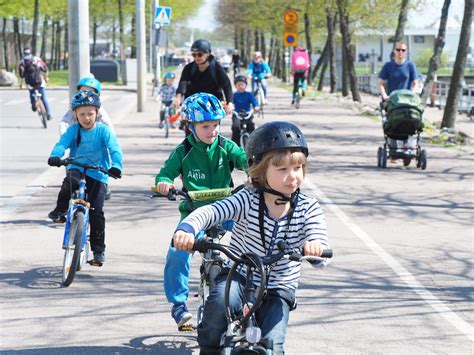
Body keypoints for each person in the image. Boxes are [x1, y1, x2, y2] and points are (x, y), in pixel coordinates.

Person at [172, 121, 331, 354]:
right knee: (217, 304)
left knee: (274, 344)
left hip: (279, 286)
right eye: (282, 169)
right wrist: (187, 229)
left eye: (297, 168)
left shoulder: (308, 207)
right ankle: (208, 348)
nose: (292, 176)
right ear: (259, 171)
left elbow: (318, 237)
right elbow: (212, 211)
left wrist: (315, 248)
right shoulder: (247, 198)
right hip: (240, 273)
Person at [155, 93, 248, 328]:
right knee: (177, 252)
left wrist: (254, 169)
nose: (212, 130)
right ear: (190, 126)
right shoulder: (183, 150)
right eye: (205, 125)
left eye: (216, 124)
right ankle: (178, 305)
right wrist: (164, 183)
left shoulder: (226, 147)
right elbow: (165, 173)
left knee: (250, 245)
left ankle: (248, 299)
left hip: (227, 212)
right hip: (194, 214)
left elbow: (245, 160)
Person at [47, 90, 123, 265]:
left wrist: (116, 166)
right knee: (68, 184)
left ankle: (98, 251)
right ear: (75, 115)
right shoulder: (73, 130)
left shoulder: (104, 131)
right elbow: (61, 144)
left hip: (98, 173)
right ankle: (60, 210)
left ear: (97, 113)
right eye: (82, 114)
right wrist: (55, 156)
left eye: (90, 113)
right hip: (77, 167)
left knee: (97, 212)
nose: (86, 118)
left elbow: (115, 149)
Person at [59, 76, 115, 200]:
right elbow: (64, 121)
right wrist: (64, 136)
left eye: (90, 92)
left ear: (97, 95)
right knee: (72, 162)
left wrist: (108, 139)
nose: (85, 94)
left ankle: (103, 183)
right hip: (78, 140)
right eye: (82, 91)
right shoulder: (75, 108)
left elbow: (108, 125)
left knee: (102, 160)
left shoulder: (98, 110)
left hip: (95, 142)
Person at [379, 41, 419, 161]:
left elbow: (415, 82)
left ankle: (409, 147)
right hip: (392, 101)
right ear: (394, 51)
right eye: (398, 50)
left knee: (409, 122)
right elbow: (380, 83)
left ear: (406, 52)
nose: (400, 52)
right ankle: (394, 150)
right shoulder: (388, 66)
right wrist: (385, 95)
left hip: (407, 101)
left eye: (403, 50)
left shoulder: (410, 66)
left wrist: (413, 94)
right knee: (391, 124)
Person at [174, 39, 234, 117]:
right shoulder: (189, 68)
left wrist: (230, 103)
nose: (196, 57)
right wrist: (178, 97)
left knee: (211, 127)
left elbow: (226, 85)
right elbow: (183, 82)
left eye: (199, 54)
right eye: (194, 55)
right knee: (190, 127)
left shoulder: (216, 68)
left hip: (212, 103)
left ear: (208, 53)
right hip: (194, 102)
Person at [18, 47, 52, 120]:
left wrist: (21, 84)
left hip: (30, 84)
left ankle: (34, 103)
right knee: (43, 98)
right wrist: (46, 77)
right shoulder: (36, 59)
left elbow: (22, 75)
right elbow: (45, 69)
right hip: (40, 82)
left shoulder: (22, 61)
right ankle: (49, 114)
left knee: (32, 97)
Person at [231, 75, 259, 145]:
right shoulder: (234, 95)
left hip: (247, 114)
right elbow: (230, 102)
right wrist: (229, 107)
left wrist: (256, 107)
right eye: (238, 85)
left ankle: (254, 141)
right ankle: (235, 144)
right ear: (235, 86)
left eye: (242, 85)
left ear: (245, 85)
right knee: (235, 127)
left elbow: (254, 102)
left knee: (251, 125)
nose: (240, 86)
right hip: (237, 114)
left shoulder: (249, 94)